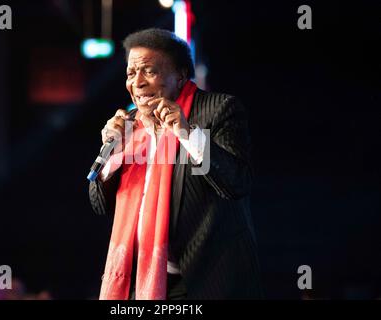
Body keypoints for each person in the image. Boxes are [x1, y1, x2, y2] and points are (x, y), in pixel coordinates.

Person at [89, 28, 263, 299]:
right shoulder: (129, 124)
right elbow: (99, 203)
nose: (138, 83)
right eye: (131, 73)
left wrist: (186, 132)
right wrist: (113, 153)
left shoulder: (218, 110)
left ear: (180, 75)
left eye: (149, 71)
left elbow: (236, 183)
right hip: (140, 281)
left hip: (204, 281)